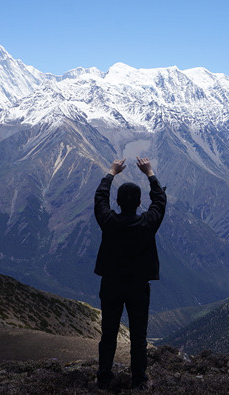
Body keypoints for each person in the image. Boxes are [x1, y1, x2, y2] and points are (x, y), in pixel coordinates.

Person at [93, 156, 167, 389]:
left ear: (118, 201)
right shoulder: (147, 223)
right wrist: (150, 173)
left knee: (108, 334)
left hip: (111, 283)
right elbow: (160, 201)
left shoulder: (109, 221)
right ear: (138, 203)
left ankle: (104, 379)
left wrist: (111, 173)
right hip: (138, 286)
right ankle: (139, 380)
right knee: (138, 336)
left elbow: (99, 199)